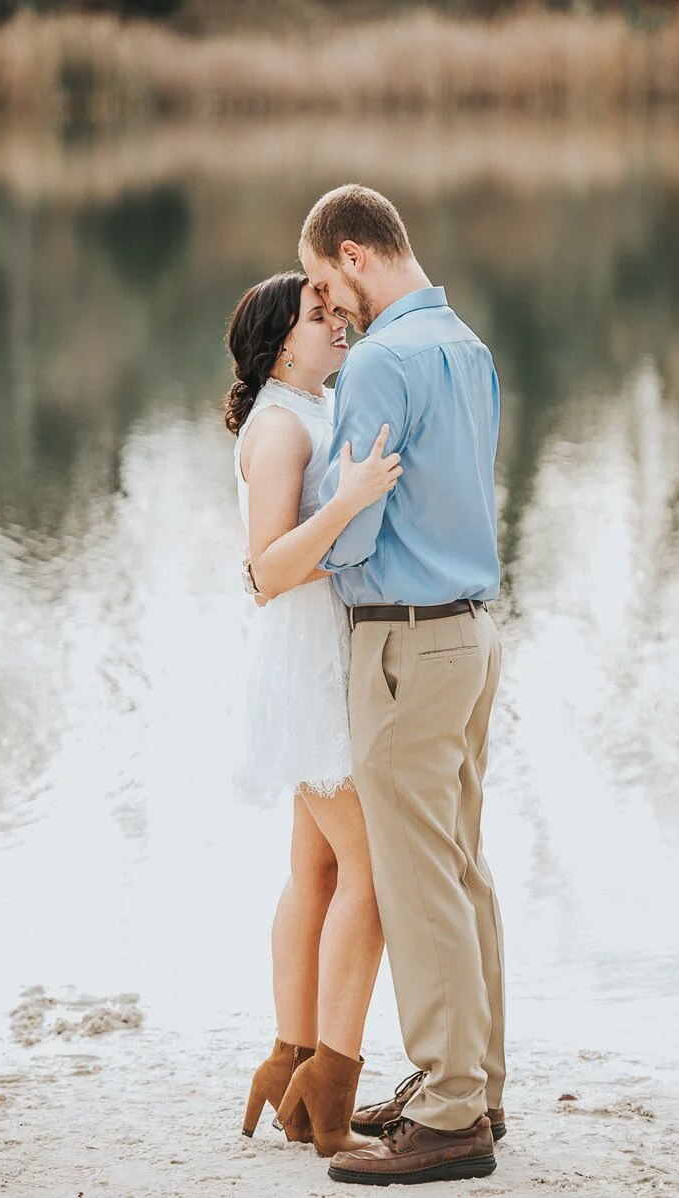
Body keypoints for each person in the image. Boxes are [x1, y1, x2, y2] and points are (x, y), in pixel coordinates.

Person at [289, 184, 506, 1186]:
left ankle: (451, 1114)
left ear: (354, 253)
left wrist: (303, 550)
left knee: (419, 883)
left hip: (404, 647)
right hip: (473, 635)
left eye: (331, 289)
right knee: (459, 868)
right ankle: (472, 1086)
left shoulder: (379, 360)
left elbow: (358, 529)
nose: (332, 312)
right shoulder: (466, 345)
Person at [224, 271, 402, 1157]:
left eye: (337, 310)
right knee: (370, 872)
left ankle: (288, 1058)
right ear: (281, 344)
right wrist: (354, 499)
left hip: (320, 657)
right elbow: (267, 572)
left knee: (318, 870)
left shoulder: (308, 409)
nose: (336, 324)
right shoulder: (284, 424)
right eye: (317, 315)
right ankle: (331, 1084)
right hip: (306, 667)